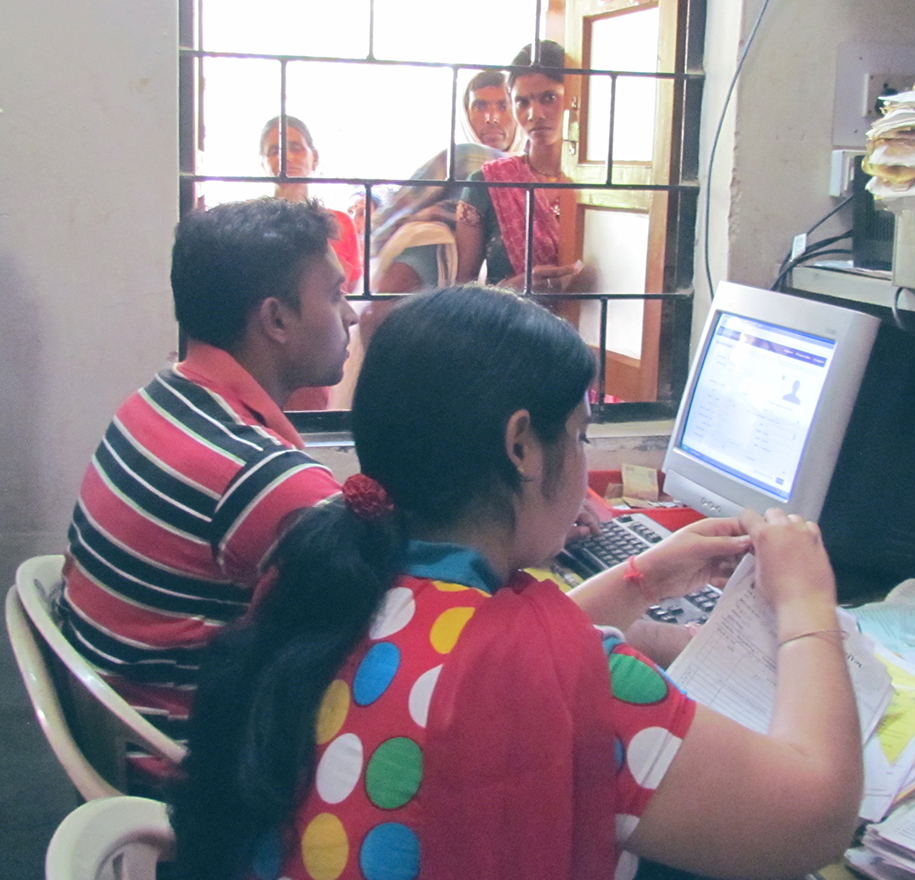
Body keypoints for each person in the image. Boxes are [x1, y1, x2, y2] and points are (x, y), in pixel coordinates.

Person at [169, 285, 863, 880]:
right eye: (582, 434)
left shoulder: (324, 574)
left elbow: (471, 656)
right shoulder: (582, 677)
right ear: (522, 447)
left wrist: (642, 577)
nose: (584, 454)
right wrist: (806, 602)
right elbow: (815, 814)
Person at [57, 198, 357, 784]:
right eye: (336, 295)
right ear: (276, 320)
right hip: (189, 774)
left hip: (115, 732)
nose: (349, 317)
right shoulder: (260, 476)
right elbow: (408, 617)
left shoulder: (156, 400)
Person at [369, 69, 522, 296]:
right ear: (465, 114)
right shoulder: (462, 155)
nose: (492, 118)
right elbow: (399, 209)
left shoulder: (534, 172)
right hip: (439, 269)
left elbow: (386, 221)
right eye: (480, 107)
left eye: (503, 106)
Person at [456, 42, 583, 294]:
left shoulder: (600, 189)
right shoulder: (487, 183)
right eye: (522, 102)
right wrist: (514, 290)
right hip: (508, 328)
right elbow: (461, 292)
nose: (534, 114)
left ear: (574, 99)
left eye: (549, 98)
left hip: (598, 328)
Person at [260, 115, 363, 294]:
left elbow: (352, 289)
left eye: (296, 148)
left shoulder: (340, 223)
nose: (286, 157)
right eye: (275, 151)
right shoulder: (253, 223)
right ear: (263, 162)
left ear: (314, 158)